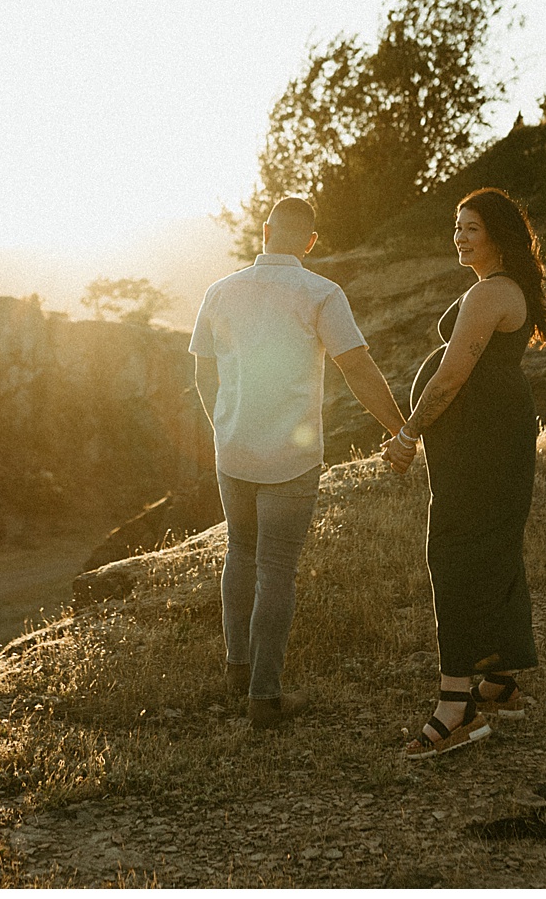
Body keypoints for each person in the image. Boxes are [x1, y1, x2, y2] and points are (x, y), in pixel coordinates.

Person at [190, 196, 410, 729]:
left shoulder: (219, 291)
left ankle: (236, 671)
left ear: (265, 232)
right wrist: (400, 429)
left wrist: (223, 428)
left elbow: (202, 374)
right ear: (310, 242)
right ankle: (264, 698)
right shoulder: (321, 293)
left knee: (239, 553)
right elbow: (357, 368)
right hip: (291, 458)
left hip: (233, 450)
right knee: (277, 569)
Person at [383, 188, 546, 759]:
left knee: (454, 554)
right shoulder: (500, 289)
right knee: (492, 548)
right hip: (486, 437)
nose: (459, 236)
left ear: (499, 235)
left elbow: (451, 376)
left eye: (472, 228)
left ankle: (455, 705)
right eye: (457, 227)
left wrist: (409, 433)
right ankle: (497, 680)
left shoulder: (492, 294)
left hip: (483, 442)